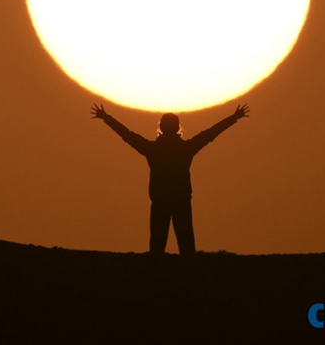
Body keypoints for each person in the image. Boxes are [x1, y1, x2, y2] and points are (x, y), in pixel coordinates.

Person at [91, 103, 249, 255]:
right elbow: (210, 133)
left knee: (157, 247)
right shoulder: (185, 149)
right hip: (181, 201)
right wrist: (233, 117)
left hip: (160, 201)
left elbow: (127, 135)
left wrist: (106, 118)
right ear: (177, 128)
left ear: (160, 127)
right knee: (186, 247)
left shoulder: (153, 149)